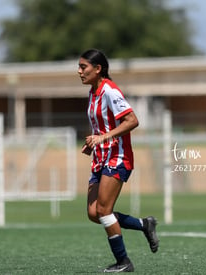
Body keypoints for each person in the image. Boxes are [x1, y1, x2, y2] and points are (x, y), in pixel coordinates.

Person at [78, 48, 159, 273]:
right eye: (79, 67)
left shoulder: (110, 91)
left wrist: (103, 138)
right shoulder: (93, 92)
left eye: (83, 67)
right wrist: (93, 142)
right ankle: (144, 224)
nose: (79, 71)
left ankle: (124, 261)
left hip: (118, 157)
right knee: (94, 213)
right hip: (101, 158)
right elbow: (101, 126)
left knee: (104, 210)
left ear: (98, 68)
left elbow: (132, 121)